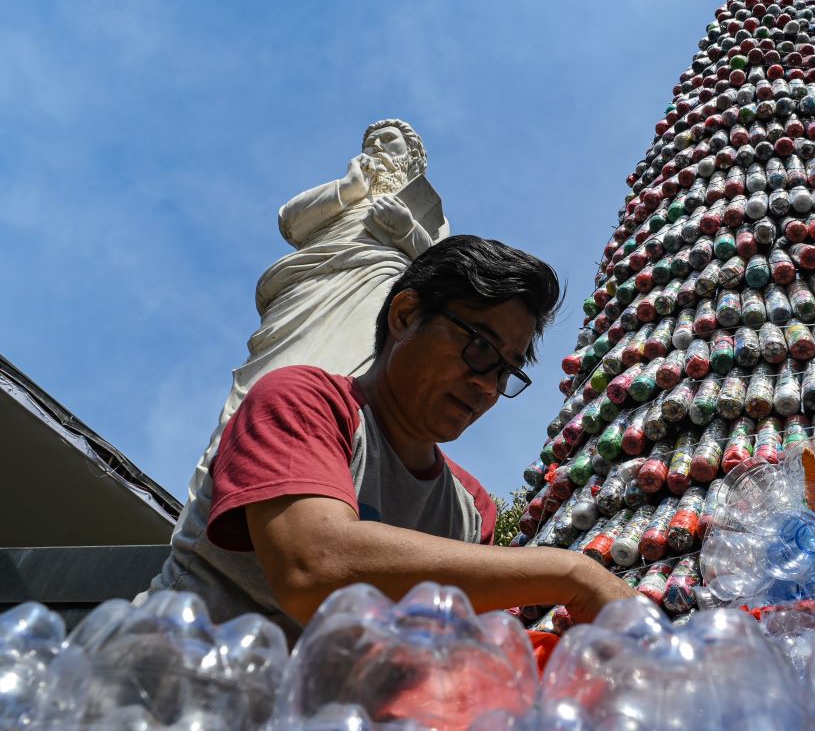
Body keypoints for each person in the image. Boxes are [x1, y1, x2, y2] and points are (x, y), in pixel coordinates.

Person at [142, 236, 636, 642]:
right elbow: (313, 570)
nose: (487, 384)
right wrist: (572, 575)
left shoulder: (470, 509)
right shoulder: (304, 402)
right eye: (479, 348)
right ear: (404, 316)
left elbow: (437, 654)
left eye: (507, 370)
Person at [182, 118, 449, 506]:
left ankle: (310, 482)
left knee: (340, 387)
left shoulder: (425, 211)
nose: (376, 145)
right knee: (264, 382)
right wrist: (349, 188)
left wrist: (405, 229)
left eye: (388, 140)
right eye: (371, 140)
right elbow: (291, 220)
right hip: (308, 291)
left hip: (373, 292)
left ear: (411, 156)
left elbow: (441, 273)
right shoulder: (349, 188)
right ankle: (215, 491)